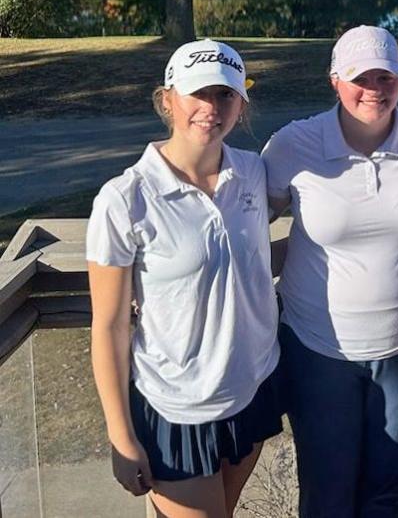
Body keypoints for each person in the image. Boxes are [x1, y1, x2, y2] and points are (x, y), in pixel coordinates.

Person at [87, 39, 281, 518]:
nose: (211, 108)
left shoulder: (253, 173)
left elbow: (253, 258)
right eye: (198, 94)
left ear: (241, 103)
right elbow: (110, 326)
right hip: (174, 409)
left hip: (250, 389)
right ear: (167, 99)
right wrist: (120, 435)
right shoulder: (125, 199)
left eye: (225, 95)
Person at [262, 25, 398, 517]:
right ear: (335, 81)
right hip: (318, 348)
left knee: (386, 490)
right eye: (361, 78)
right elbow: (246, 223)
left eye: (387, 78)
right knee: (327, 490)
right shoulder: (293, 146)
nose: (375, 90)